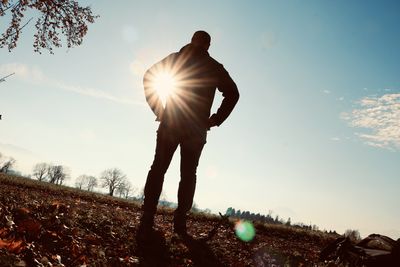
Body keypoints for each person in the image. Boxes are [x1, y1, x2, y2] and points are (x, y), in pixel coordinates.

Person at [138, 31, 239, 238]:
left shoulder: (176, 58)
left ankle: (148, 216)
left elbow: (149, 76)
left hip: (171, 122)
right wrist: (215, 120)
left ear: (192, 40)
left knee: (159, 168)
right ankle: (180, 223)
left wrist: (159, 109)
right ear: (208, 46)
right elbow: (233, 94)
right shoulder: (214, 67)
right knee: (188, 175)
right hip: (195, 128)